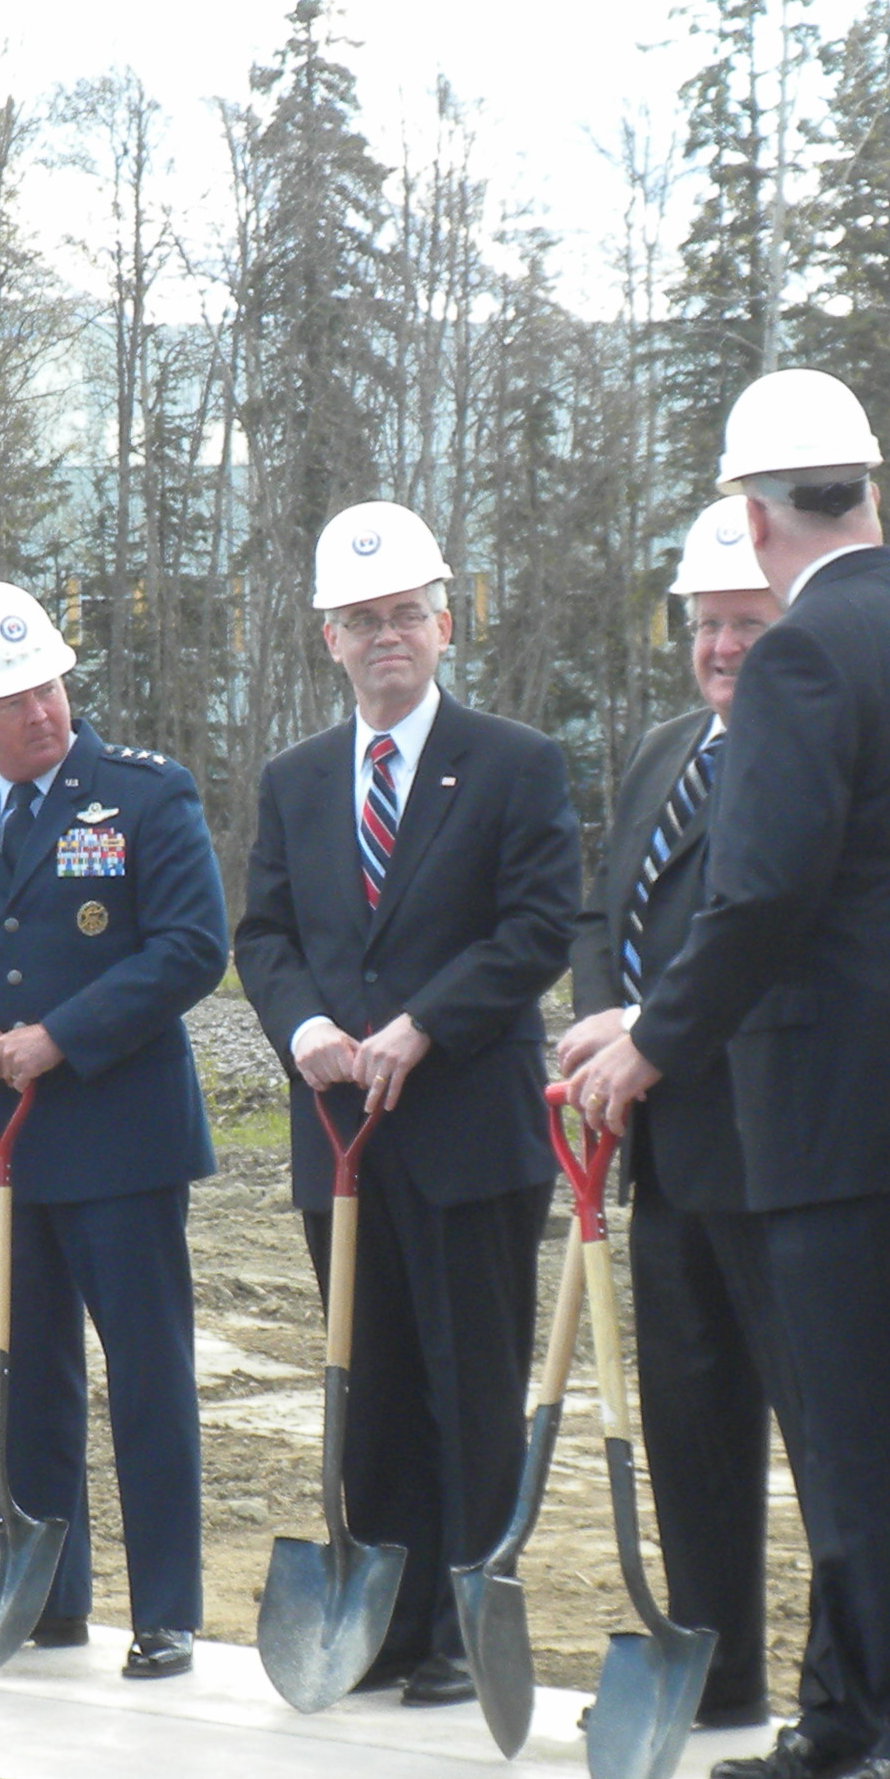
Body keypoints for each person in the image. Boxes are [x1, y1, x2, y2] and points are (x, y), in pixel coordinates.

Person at [569, 370, 890, 1779]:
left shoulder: (808, 656)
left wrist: (650, 1042)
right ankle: (845, 1715)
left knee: (878, 1440)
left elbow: (764, 891)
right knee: (851, 1432)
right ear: (866, 486)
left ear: (755, 514)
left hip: (844, 1102)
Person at [231, 502, 581, 1704]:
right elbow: (265, 935)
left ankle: (462, 1625)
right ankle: (382, 1613)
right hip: (339, 1133)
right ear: (327, 637)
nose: (387, 637)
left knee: (465, 1384)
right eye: (361, 621)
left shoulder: (514, 764)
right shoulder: (293, 780)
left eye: (405, 616)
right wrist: (308, 1030)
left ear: (445, 622)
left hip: (466, 1132)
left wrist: (424, 1023)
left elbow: (537, 927)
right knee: (366, 1380)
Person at [0, 582, 227, 1675]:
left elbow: (189, 948)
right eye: (9, 697)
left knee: (144, 1372)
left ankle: (166, 1609)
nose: (38, 710)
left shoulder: (142, 796)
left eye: (46, 684)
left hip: (120, 1133)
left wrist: (58, 1038)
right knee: (21, 1366)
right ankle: (47, 1594)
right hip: (6, 1141)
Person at [556, 498, 822, 1737]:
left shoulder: (800, 748)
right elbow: (605, 911)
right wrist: (607, 1023)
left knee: (815, 1441)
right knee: (690, 1426)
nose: (722, 649)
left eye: (748, 626)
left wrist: (653, 1034)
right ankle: (719, 1668)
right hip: (661, 1152)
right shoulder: (672, 749)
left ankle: (846, 1688)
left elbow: (768, 929)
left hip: (771, 1142)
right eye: (707, 626)